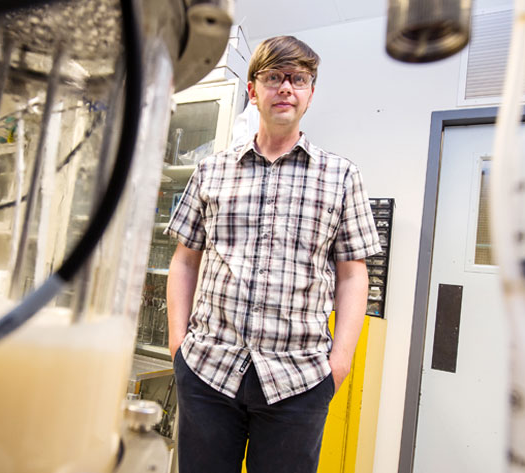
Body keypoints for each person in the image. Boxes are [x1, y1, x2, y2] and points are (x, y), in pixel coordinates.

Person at [165, 35, 381, 473]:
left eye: (298, 79)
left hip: (298, 381)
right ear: (252, 90)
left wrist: (338, 365)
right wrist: (177, 345)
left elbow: (354, 275)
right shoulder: (212, 171)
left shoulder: (341, 176)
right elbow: (185, 260)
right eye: (273, 77)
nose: (286, 88)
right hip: (208, 370)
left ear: (311, 93)